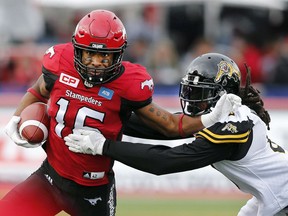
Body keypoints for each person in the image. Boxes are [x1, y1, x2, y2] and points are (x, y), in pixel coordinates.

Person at [1, 10, 239, 216]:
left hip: (92, 190)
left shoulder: (129, 84)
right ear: (77, 50)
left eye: (104, 56)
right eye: (89, 54)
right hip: (49, 177)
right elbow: (38, 89)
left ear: (118, 55)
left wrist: (210, 119)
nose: (96, 62)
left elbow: (168, 124)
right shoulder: (59, 63)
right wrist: (17, 117)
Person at [64, 53, 288, 216]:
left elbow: (164, 161)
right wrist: (102, 115)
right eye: (190, 90)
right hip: (270, 195)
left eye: (200, 93)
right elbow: (162, 128)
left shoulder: (231, 128)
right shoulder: (222, 115)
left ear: (222, 94)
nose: (192, 99)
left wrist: (104, 147)